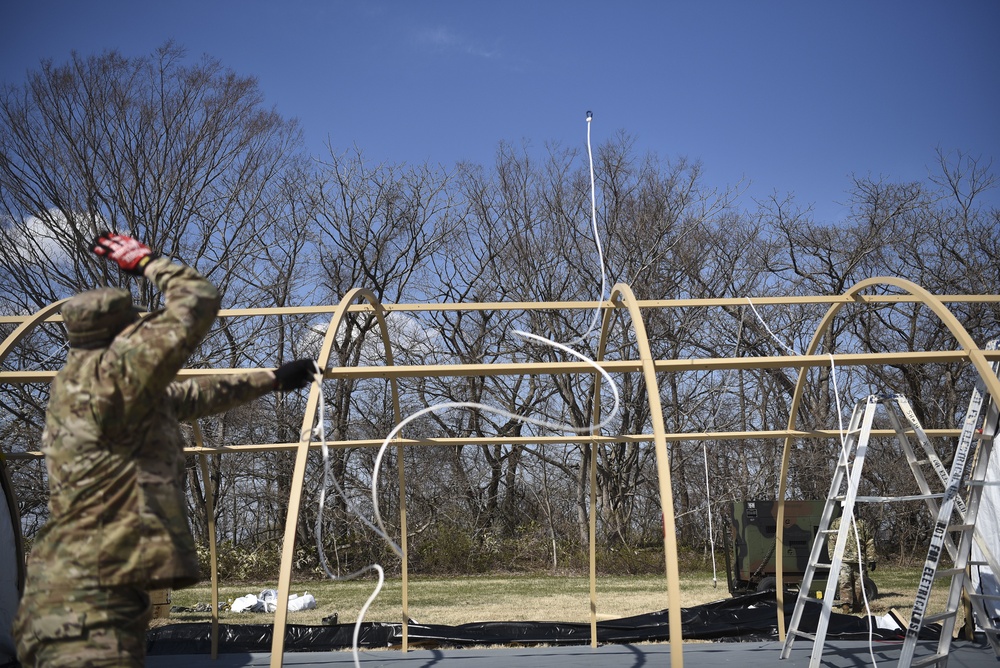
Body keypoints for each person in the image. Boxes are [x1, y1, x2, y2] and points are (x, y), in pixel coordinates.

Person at [14, 232, 320, 667]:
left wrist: (272, 379)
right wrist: (146, 261)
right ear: (123, 339)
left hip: (73, 584)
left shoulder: (89, 385)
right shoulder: (114, 374)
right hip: (91, 600)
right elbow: (198, 297)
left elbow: (189, 397)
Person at [827, 512, 877, 613]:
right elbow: (832, 541)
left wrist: (872, 558)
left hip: (859, 560)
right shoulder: (837, 522)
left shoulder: (861, 523)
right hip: (843, 559)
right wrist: (833, 558)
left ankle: (857, 606)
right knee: (845, 582)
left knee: (859, 584)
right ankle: (845, 607)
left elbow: (869, 541)